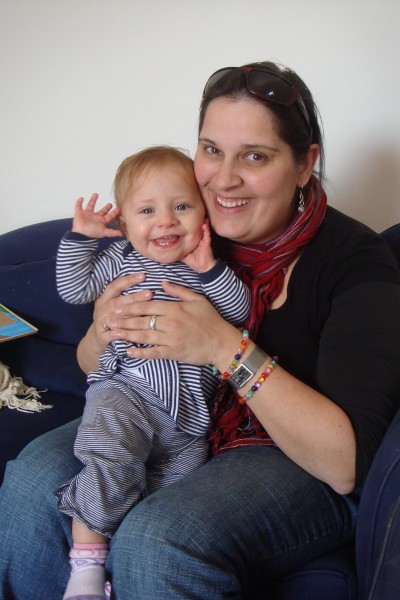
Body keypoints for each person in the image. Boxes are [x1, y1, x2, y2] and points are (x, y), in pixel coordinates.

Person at [1, 60, 400, 600]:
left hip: (287, 455)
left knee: (160, 537)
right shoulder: (178, 230)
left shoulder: (355, 263)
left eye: (254, 156)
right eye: (211, 150)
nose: (224, 178)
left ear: (306, 164)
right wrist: (102, 332)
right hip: (159, 410)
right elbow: (98, 365)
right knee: (29, 482)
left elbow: (345, 464)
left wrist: (221, 345)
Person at [54, 146, 251, 600]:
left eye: (181, 207)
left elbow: (239, 310)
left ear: (204, 213)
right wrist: (82, 239)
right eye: (147, 211)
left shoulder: (205, 268)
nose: (165, 221)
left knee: (160, 490)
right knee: (110, 457)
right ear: (123, 223)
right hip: (125, 392)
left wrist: (210, 269)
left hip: (189, 416)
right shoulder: (121, 258)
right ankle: (86, 569)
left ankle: (118, 557)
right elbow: (72, 288)